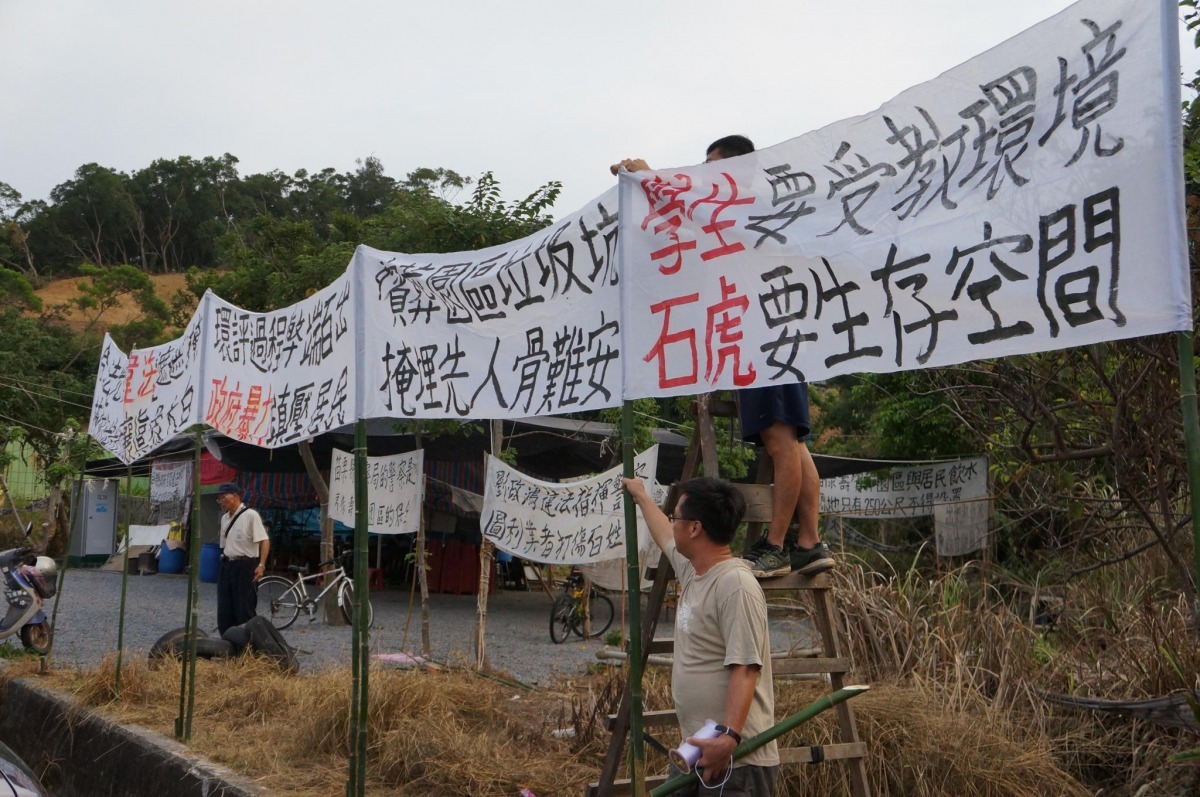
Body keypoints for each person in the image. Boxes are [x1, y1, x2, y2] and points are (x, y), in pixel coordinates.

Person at [612, 136, 833, 579]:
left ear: (736, 168)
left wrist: (648, 176)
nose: (704, 173)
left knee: (781, 440)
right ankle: (808, 541)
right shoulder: (742, 208)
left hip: (768, 332)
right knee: (792, 440)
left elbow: (693, 210)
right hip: (765, 331)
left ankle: (775, 545)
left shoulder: (744, 203)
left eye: (711, 166)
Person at [623, 475, 778, 796]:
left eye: (676, 516)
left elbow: (746, 668)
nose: (672, 523)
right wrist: (640, 496)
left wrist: (730, 738)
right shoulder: (695, 571)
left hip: (736, 758)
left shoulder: (735, 584)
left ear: (695, 528)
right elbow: (665, 535)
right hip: (696, 748)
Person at [214, 482, 270, 635]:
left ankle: (248, 647)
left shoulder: (250, 515)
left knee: (244, 607)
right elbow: (225, 545)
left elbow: (264, 540)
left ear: (236, 496)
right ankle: (227, 644)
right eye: (219, 499)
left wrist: (261, 565)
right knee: (225, 607)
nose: (221, 501)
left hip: (245, 565)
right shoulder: (225, 518)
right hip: (227, 564)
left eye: (224, 497)